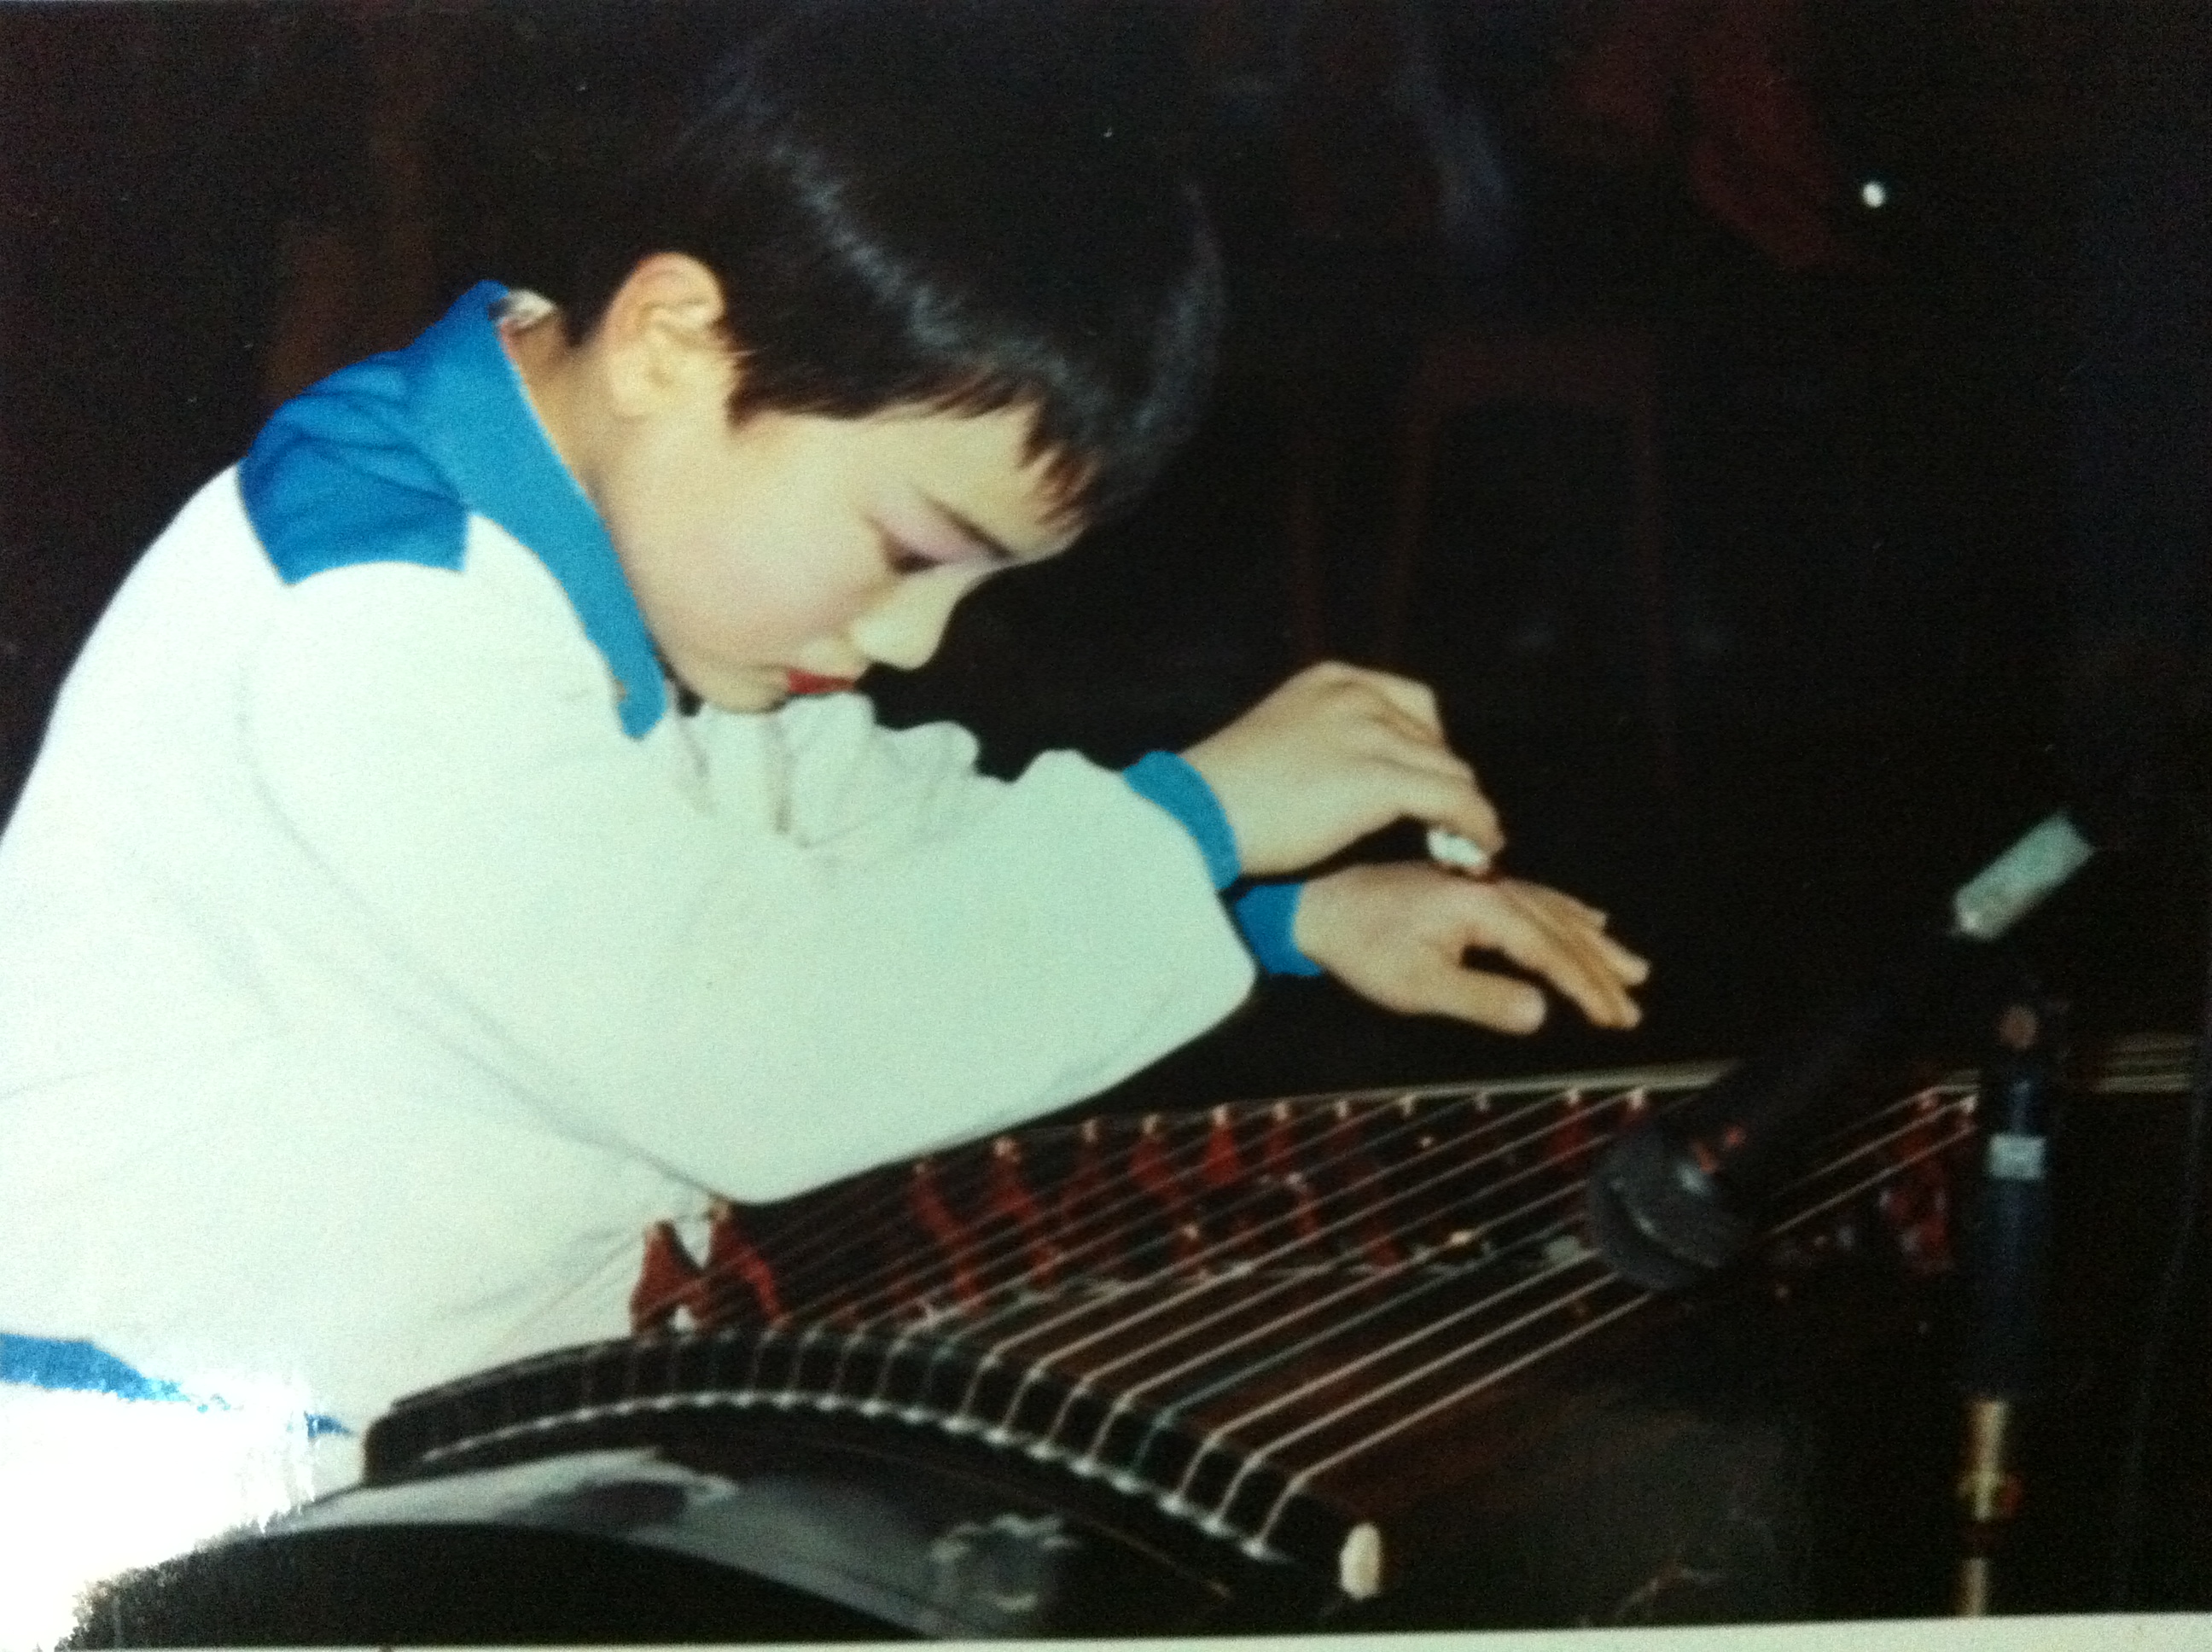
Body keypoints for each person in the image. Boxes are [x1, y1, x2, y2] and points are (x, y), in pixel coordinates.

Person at [0, 2, 1645, 1627]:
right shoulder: (381, 613)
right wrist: (1203, 818)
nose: (914, 643)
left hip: (390, 1428)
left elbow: (856, 840)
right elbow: (748, 1044)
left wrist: (1278, 913)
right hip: (152, 1485)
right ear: (673, 342)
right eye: (911, 550)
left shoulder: (602, 545)